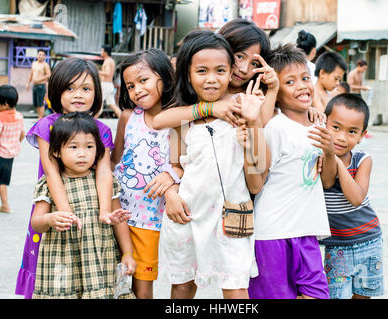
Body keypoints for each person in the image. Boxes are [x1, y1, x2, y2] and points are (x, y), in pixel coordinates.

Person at [158, 30, 270, 299]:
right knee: (183, 286)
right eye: (202, 71)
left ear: (231, 71)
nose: (211, 79)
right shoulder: (184, 118)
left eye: (220, 70)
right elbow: (176, 167)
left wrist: (251, 134)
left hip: (231, 220)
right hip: (187, 217)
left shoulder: (246, 110)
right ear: (188, 75)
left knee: (235, 288)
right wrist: (170, 192)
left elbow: (256, 182)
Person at [16, 58, 115, 299]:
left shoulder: (102, 129)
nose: (77, 95)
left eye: (86, 88)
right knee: (51, 269)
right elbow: (51, 172)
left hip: (91, 206)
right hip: (54, 204)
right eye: (69, 88)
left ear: (97, 93)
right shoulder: (46, 127)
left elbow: (104, 171)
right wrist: (65, 213)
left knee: (92, 269)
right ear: (56, 90)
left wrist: (104, 211)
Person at [248, 43, 333, 299]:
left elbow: (327, 180)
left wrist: (329, 150)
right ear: (276, 91)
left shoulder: (320, 125)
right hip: (272, 234)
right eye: (290, 82)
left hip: (306, 233)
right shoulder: (275, 128)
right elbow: (258, 180)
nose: (302, 86)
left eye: (305, 78)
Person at [30, 112, 136, 298]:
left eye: (89, 146)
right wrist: (49, 219)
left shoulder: (105, 183)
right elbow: (36, 223)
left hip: (99, 261)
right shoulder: (48, 185)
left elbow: (120, 222)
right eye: (73, 147)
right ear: (56, 151)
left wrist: (127, 253)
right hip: (62, 262)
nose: (82, 153)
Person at [111, 49, 181, 299]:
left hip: (149, 220)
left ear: (164, 76)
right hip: (119, 214)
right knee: (115, 283)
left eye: (143, 81)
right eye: (130, 86)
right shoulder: (128, 118)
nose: (137, 90)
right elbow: (114, 162)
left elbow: (182, 163)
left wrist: (171, 174)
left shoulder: (177, 120)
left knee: (142, 287)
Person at [310, 93, 384, 299]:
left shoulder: (363, 160)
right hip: (336, 246)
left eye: (352, 131)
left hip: (368, 240)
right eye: (335, 127)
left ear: (362, 135)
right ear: (325, 123)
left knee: (363, 295)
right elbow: (326, 182)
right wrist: (329, 155)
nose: (342, 137)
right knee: (337, 296)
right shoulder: (318, 156)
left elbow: (357, 198)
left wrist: (335, 158)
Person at [152, 18, 278, 130]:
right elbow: (159, 122)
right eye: (239, 56)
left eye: (254, 63)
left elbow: (263, 127)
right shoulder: (198, 90)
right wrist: (209, 108)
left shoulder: (248, 97)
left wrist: (272, 89)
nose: (245, 69)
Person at [0, 85, 25, 216]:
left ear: (5, 104)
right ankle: (5, 206)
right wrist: (14, 144)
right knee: (2, 181)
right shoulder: (19, 116)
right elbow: (22, 134)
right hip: (10, 155)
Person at [27, 49, 51, 120]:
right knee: (36, 103)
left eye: (42, 55)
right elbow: (31, 74)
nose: (40, 56)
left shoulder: (45, 65)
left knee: (40, 103)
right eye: (39, 54)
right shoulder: (34, 63)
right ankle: (39, 117)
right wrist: (28, 83)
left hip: (41, 86)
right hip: (35, 86)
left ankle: (40, 118)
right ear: (37, 55)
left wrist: (39, 79)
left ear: (44, 57)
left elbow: (49, 75)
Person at [98, 44, 121, 118]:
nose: (101, 52)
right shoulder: (111, 61)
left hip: (105, 85)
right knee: (112, 105)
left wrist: (97, 71)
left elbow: (107, 73)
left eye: (101, 50)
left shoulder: (108, 61)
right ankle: (124, 120)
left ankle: (93, 121)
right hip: (109, 85)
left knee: (98, 103)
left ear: (105, 52)